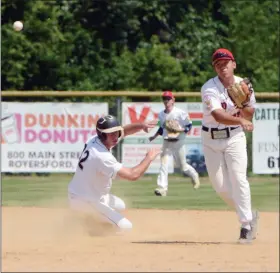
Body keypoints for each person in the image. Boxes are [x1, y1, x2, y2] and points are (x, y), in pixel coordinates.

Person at [200, 48, 259, 242]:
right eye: (218, 65)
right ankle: (249, 213)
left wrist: (243, 106)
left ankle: (246, 225)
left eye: (225, 63)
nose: (222, 67)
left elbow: (249, 113)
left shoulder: (244, 85)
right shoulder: (209, 88)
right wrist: (240, 120)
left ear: (233, 64)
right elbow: (217, 115)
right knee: (221, 187)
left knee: (238, 178)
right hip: (211, 139)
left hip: (234, 137)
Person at [68, 115, 160, 233]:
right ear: (102, 134)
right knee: (125, 227)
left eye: (116, 132)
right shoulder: (101, 156)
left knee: (120, 205)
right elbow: (133, 175)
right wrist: (149, 158)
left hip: (87, 194)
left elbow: (124, 131)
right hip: (85, 200)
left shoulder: (95, 140)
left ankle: (91, 220)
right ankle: (91, 229)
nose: (116, 136)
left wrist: (141, 125)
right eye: (111, 133)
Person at [149, 91, 200, 197]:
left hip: (179, 142)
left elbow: (189, 125)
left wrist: (181, 130)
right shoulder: (161, 114)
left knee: (183, 167)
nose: (166, 101)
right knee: (163, 164)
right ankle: (162, 188)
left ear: (173, 100)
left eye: (168, 98)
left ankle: (194, 175)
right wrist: (154, 136)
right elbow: (162, 127)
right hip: (167, 142)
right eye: (164, 99)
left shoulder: (180, 113)